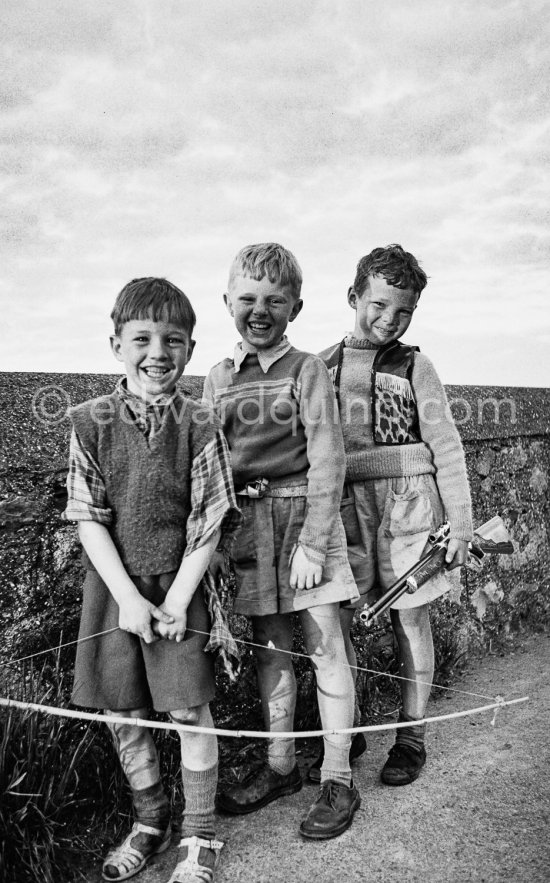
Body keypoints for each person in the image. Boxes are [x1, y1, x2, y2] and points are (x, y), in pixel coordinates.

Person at [63, 277, 240, 883]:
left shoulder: (201, 421)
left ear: (190, 348)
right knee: (125, 712)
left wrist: (176, 601)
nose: (157, 352)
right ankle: (149, 818)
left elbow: (210, 519)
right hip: (114, 593)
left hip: (179, 589)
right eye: (142, 338)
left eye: (173, 340)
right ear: (116, 344)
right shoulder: (89, 422)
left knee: (190, 711)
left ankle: (200, 833)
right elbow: (88, 518)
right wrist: (130, 600)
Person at [203, 242, 362, 840]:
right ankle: (281, 767)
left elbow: (328, 457)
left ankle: (339, 776)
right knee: (271, 653)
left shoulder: (307, 370)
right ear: (228, 303)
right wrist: (215, 539)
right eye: (247, 299)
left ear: (296, 307)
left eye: (275, 300)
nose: (260, 310)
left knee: (325, 651)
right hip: (250, 532)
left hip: (305, 526)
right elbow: (211, 463)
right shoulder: (217, 377)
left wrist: (316, 545)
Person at [317, 244, 473, 787]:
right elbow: (309, 448)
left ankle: (411, 734)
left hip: (410, 504)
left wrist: (462, 524)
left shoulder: (415, 365)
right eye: (378, 304)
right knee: (341, 620)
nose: (389, 319)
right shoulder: (321, 367)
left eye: (403, 311)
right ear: (354, 296)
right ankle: (349, 724)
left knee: (410, 618)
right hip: (343, 505)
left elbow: (447, 447)